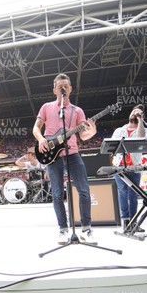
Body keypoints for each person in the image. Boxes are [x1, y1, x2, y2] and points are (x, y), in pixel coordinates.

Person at [33, 73, 97, 244]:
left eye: (65, 86)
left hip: (73, 153)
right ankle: (63, 229)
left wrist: (91, 132)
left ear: (70, 89)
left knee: (84, 190)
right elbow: (36, 128)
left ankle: (86, 229)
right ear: (54, 89)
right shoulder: (46, 107)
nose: (63, 88)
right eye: (59, 86)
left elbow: (83, 135)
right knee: (57, 193)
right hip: (52, 156)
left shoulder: (77, 111)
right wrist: (41, 139)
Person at [110, 104, 147, 233]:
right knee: (123, 192)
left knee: (133, 194)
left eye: (138, 113)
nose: (134, 114)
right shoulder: (119, 130)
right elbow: (111, 148)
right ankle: (125, 221)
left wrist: (140, 121)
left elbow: (142, 137)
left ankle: (134, 222)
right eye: (133, 112)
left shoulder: (143, 129)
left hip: (134, 167)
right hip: (120, 166)